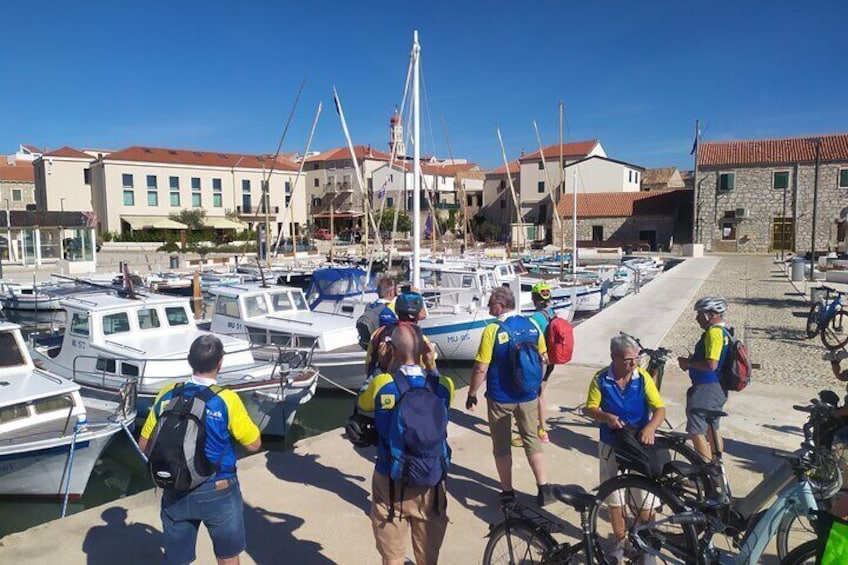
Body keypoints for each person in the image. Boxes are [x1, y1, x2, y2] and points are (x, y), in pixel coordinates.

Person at [138, 335, 261, 565]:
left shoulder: (167, 393)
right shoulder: (226, 399)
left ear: (189, 360)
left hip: (176, 488)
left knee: (178, 560)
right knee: (227, 557)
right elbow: (254, 444)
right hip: (219, 489)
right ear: (220, 363)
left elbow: (144, 445)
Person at [357, 324, 454, 565]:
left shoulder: (382, 384)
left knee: (393, 558)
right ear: (424, 349)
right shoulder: (444, 387)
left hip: (390, 478)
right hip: (431, 480)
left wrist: (381, 365)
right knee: (429, 557)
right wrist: (432, 365)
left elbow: (362, 403)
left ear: (392, 350)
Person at [465, 286, 553, 506]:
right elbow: (544, 360)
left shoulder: (493, 330)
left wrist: (472, 393)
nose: (488, 307)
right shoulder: (532, 324)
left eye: (490, 304)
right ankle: (543, 488)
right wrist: (537, 385)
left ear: (499, 305)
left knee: (502, 445)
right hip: (528, 394)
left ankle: (507, 491)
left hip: (500, 397)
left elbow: (480, 369)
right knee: (532, 439)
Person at [583, 335, 666, 562]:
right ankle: (620, 543)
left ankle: (646, 546)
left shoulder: (643, 378)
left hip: (638, 445)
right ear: (614, 358)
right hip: (611, 444)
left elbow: (659, 409)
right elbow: (590, 409)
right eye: (629, 359)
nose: (634, 364)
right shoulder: (601, 379)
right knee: (614, 498)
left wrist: (650, 428)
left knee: (645, 499)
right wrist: (605, 416)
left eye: (636, 358)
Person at [677, 296, 731, 462]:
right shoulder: (725, 332)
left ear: (711, 314)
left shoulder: (714, 333)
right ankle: (716, 467)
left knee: (696, 431)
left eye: (700, 313)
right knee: (712, 428)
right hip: (717, 387)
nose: (697, 318)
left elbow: (711, 364)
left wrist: (689, 362)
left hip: (706, 387)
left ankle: (705, 473)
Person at [521, 281, 557, 444]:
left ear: (534, 297)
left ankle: (527, 433)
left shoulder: (536, 317)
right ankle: (542, 431)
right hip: (551, 361)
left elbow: (527, 337)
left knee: (528, 396)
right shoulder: (552, 312)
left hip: (539, 361)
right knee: (540, 396)